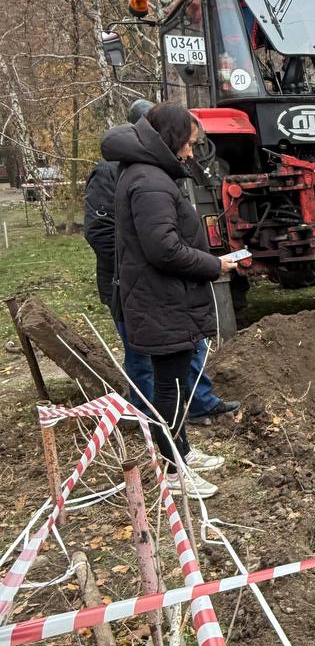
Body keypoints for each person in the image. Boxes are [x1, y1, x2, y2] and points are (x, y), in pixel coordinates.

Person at [103, 102, 240, 498]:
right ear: (172, 138)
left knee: (174, 385)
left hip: (165, 299)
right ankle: (174, 470)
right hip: (161, 301)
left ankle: (181, 450)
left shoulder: (149, 174)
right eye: (189, 144)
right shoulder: (150, 181)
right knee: (170, 391)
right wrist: (214, 265)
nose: (191, 153)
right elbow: (163, 248)